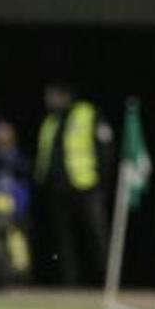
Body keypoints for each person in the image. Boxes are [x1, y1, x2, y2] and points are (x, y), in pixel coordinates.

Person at [34, 82, 112, 287]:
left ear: (66, 95)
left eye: (53, 95)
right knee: (63, 240)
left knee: (94, 234)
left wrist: (100, 180)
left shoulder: (87, 113)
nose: (49, 100)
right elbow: (46, 154)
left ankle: (104, 281)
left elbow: (104, 148)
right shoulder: (51, 121)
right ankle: (70, 282)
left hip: (86, 186)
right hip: (58, 188)